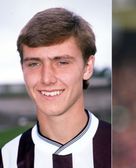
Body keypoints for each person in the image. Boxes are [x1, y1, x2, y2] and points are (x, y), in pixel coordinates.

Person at [0, 8, 111, 168]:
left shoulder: (114, 148)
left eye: (62, 62)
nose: (47, 79)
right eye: (34, 64)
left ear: (87, 67)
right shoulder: (7, 158)